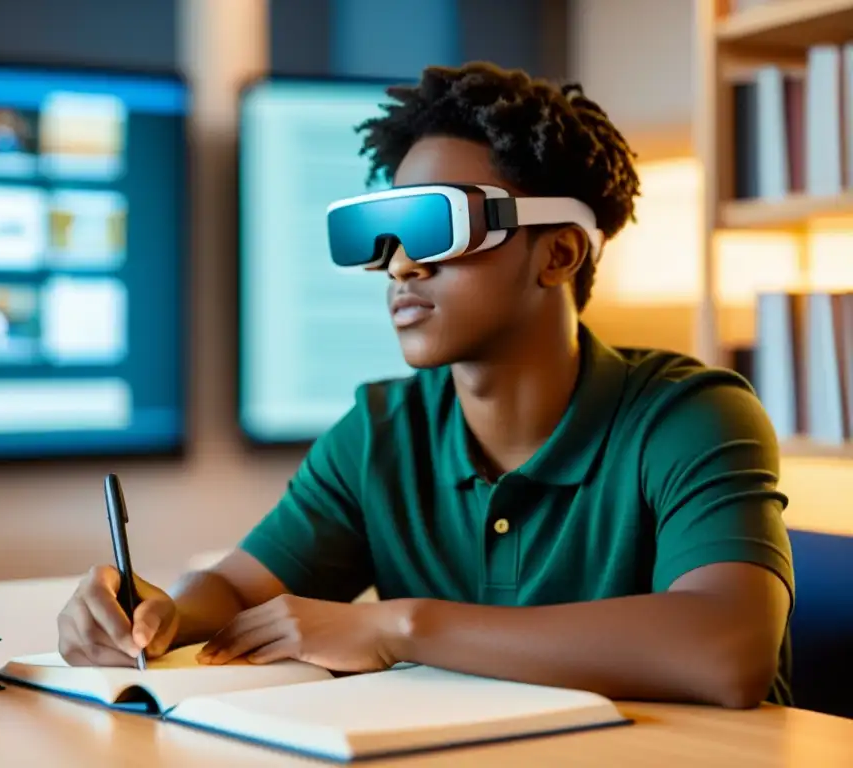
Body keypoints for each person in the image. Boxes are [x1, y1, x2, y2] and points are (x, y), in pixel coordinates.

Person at [56, 62, 794, 710]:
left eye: (435, 227)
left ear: (559, 253)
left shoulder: (692, 417)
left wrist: (397, 626)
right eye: (382, 236)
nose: (400, 266)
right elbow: (240, 592)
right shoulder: (381, 429)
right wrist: (161, 615)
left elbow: (725, 651)